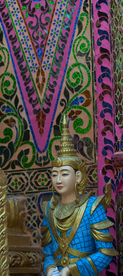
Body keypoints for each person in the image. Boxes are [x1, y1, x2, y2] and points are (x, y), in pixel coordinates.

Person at [42, 115, 117, 276]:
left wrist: (72, 269)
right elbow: (48, 252)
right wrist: (50, 268)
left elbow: (106, 253)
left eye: (64, 174)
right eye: (54, 174)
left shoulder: (92, 207)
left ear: (78, 177)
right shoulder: (50, 208)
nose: (58, 180)